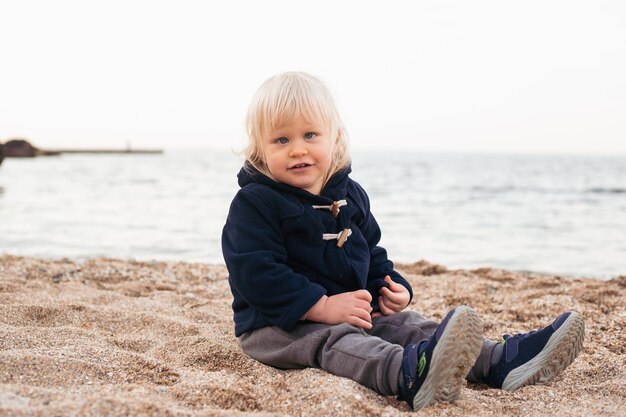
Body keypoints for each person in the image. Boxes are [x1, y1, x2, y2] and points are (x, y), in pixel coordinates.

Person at [221, 71, 585, 411]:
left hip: (351, 311)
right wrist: (321, 307)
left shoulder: (349, 195)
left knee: (410, 324)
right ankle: (408, 375)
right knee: (339, 344)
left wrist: (387, 286)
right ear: (260, 150)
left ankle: (499, 361)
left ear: (335, 137)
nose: (297, 149)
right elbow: (255, 272)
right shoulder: (256, 202)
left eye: (310, 135)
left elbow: (370, 251)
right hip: (276, 325)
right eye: (282, 140)